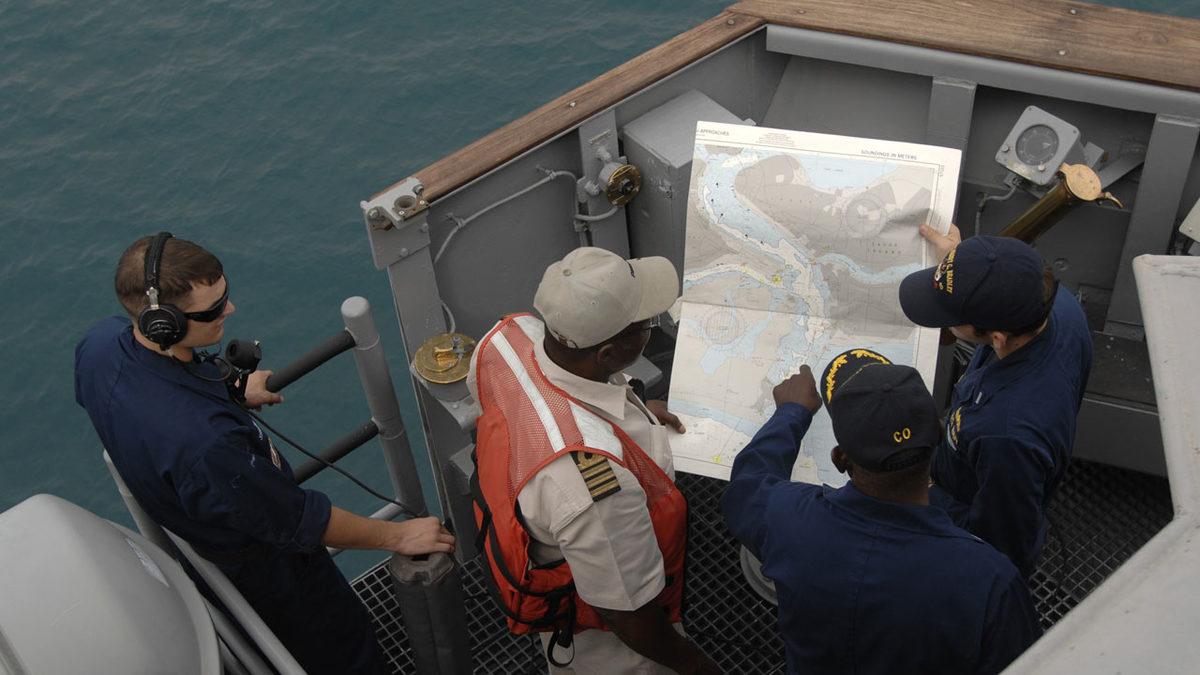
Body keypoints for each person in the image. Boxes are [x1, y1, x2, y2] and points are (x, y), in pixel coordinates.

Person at [75, 233, 455, 675]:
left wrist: (227, 390)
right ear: (165, 324)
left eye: (225, 296)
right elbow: (300, 521)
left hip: (206, 536)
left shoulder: (99, 347)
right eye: (213, 310)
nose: (229, 310)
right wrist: (398, 536)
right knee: (344, 654)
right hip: (274, 575)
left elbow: (152, 400)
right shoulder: (209, 446)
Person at [468, 247, 719, 674]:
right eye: (645, 325)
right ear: (607, 354)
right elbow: (629, 615)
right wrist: (701, 669)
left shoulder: (507, 340)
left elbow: (529, 410)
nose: (650, 328)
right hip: (612, 649)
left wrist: (635, 411)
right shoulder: (598, 492)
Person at [723, 349, 1041, 674]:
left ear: (840, 459)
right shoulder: (990, 582)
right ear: (937, 438)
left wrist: (792, 412)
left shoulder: (789, 520)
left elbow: (747, 486)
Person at [899, 226, 1093, 577]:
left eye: (951, 317)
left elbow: (1000, 546)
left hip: (965, 515)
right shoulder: (1054, 304)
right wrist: (963, 269)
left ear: (997, 338)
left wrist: (920, 493)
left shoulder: (1005, 435)